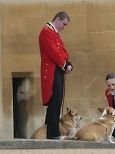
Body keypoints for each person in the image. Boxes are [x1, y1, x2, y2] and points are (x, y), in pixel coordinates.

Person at [39, 11, 73, 140]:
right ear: (57, 19)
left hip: (57, 69)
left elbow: (62, 51)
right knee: (54, 101)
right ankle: (52, 132)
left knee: (57, 101)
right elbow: (53, 52)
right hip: (52, 70)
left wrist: (68, 62)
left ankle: (49, 131)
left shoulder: (54, 33)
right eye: (64, 24)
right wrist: (65, 66)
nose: (64, 27)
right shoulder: (46, 32)